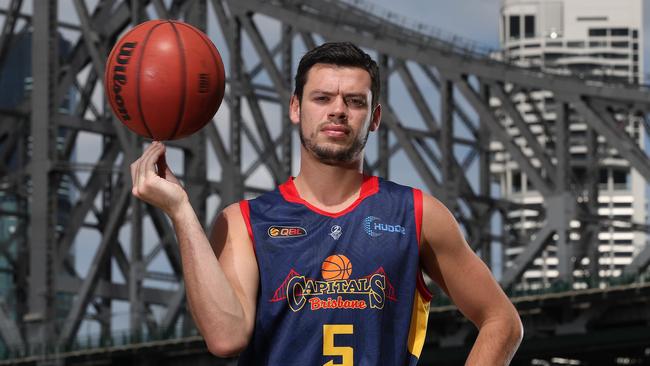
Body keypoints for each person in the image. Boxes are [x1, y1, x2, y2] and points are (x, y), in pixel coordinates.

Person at [130, 42, 523, 365]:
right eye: (322, 98)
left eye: (354, 101)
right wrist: (181, 211)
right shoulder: (243, 223)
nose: (338, 109)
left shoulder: (418, 215)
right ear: (295, 108)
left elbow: (501, 319)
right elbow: (226, 337)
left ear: (374, 117)